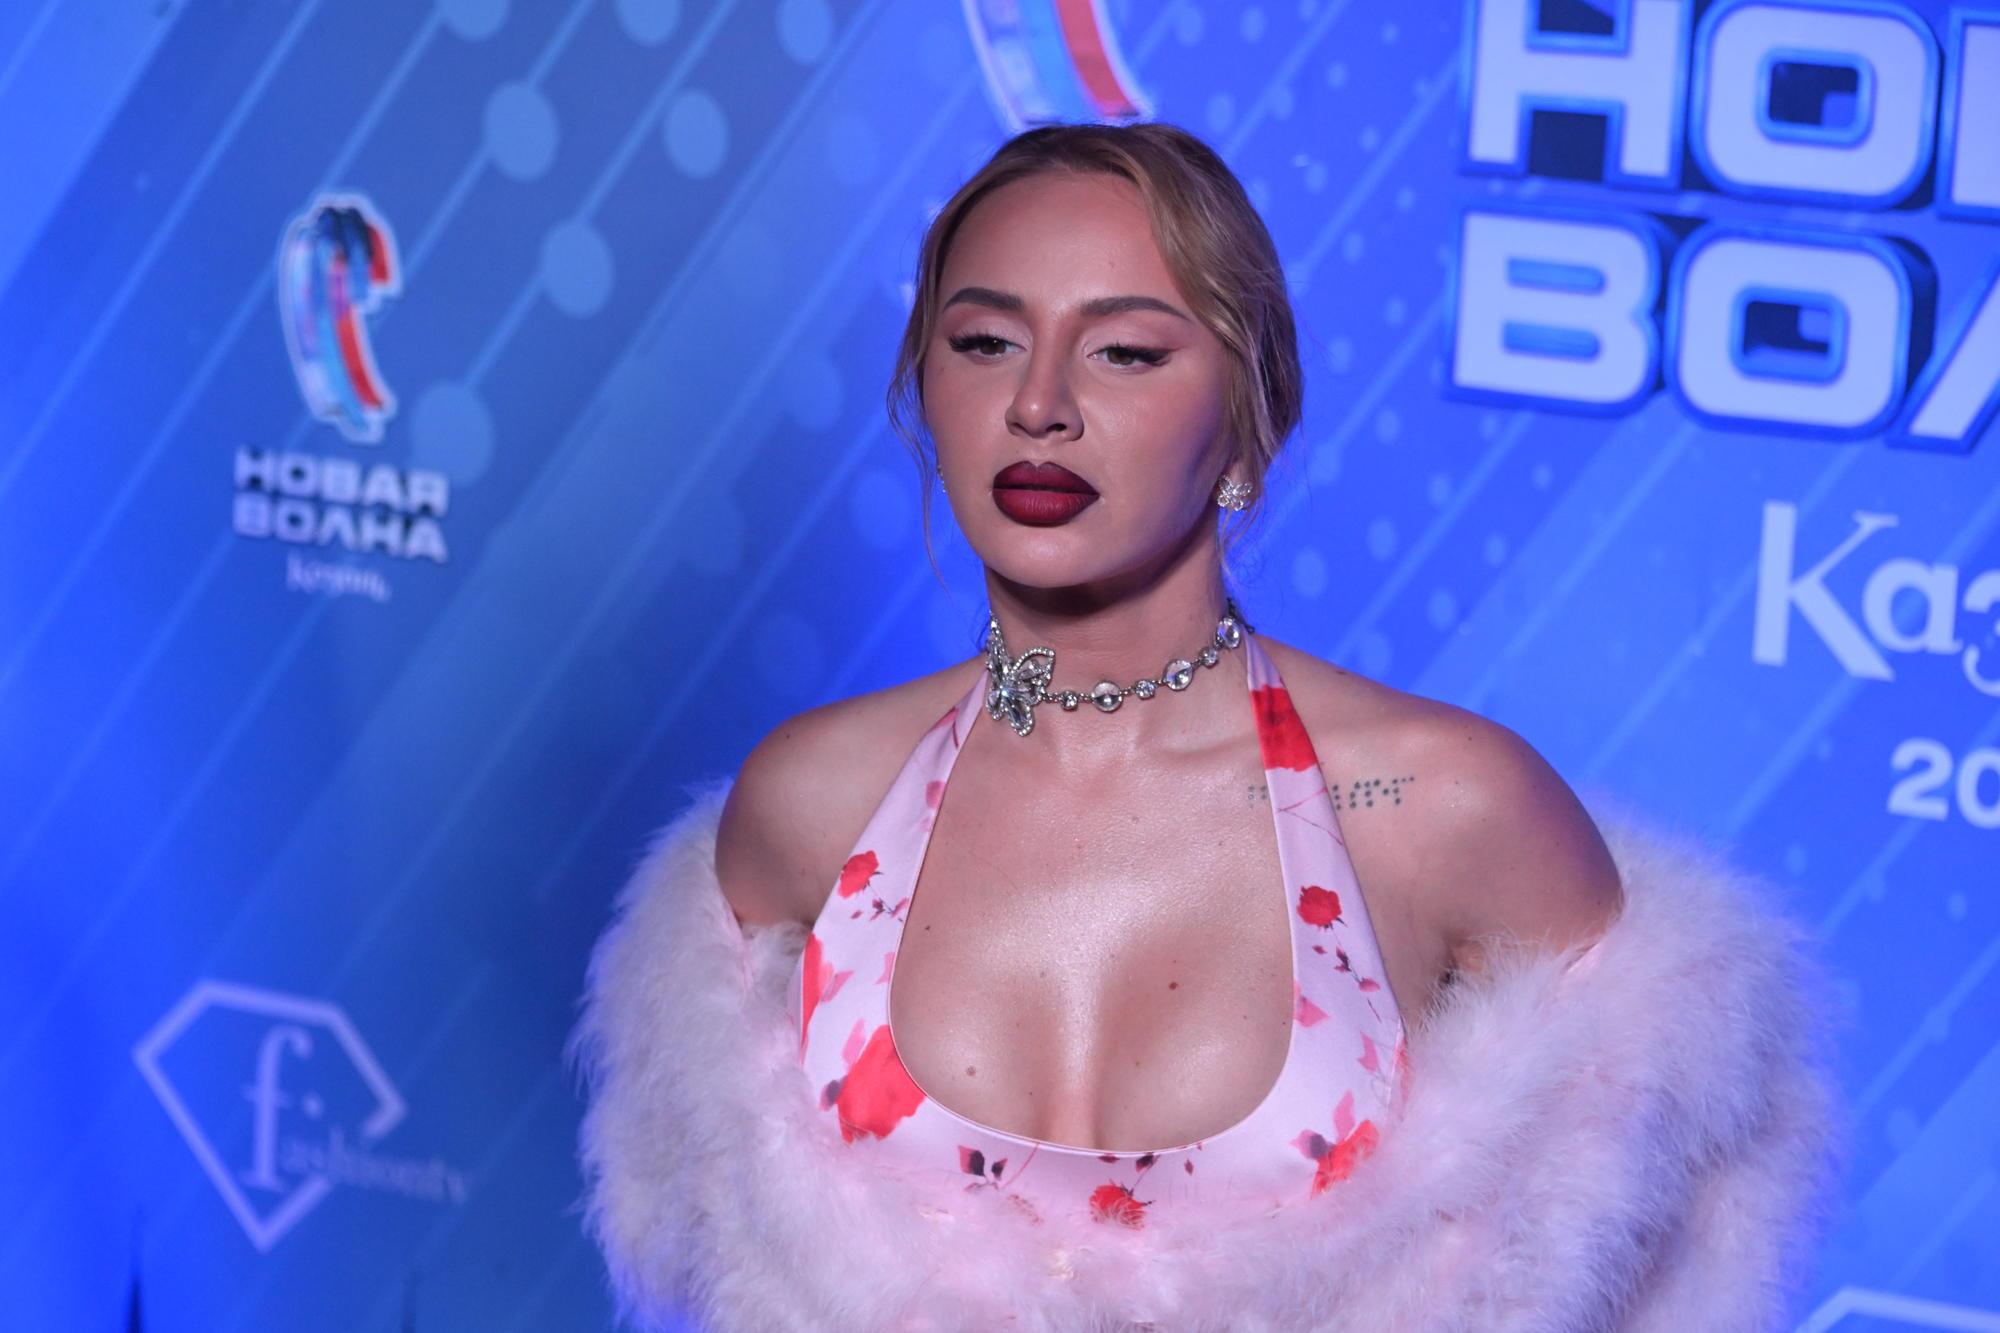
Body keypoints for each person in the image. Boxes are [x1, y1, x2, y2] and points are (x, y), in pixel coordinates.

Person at [570, 123, 1847, 1333]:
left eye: (1124, 352)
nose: (1038, 405)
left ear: (1246, 415)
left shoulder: (1433, 803)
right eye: (983, 342)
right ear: (923, 389)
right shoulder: (812, 802)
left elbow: (1643, 1264)